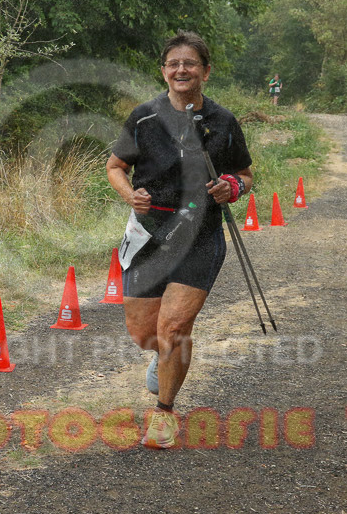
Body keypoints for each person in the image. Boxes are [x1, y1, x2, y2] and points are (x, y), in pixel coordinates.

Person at [106, 31, 253, 449]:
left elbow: (245, 175)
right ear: (164, 71)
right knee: (144, 332)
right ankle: (163, 356)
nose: (181, 70)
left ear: (205, 71)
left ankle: (165, 412)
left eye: (190, 63)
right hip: (148, 234)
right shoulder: (144, 118)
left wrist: (231, 187)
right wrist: (129, 195)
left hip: (199, 234)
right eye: (174, 63)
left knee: (174, 326)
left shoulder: (223, 122)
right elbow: (115, 166)